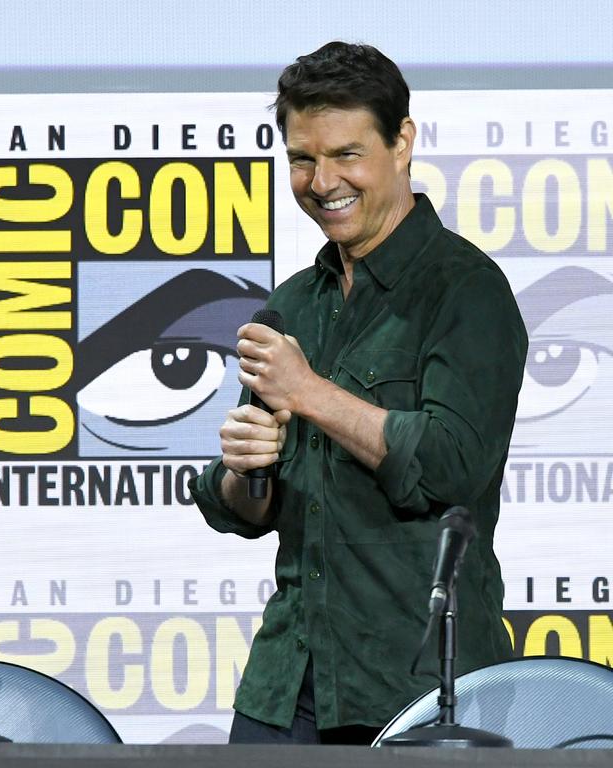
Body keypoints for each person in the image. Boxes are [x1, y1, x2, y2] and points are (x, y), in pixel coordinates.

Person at [188, 42, 528, 745]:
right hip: (286, 684)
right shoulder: (292, 305)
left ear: (402, 142)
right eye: (302, 159)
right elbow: (253, 509)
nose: (322, 181)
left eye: (346, 154)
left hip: (417, 685)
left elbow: (452, 463)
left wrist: (309, 393)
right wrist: (242, 475)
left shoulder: (466, 290)